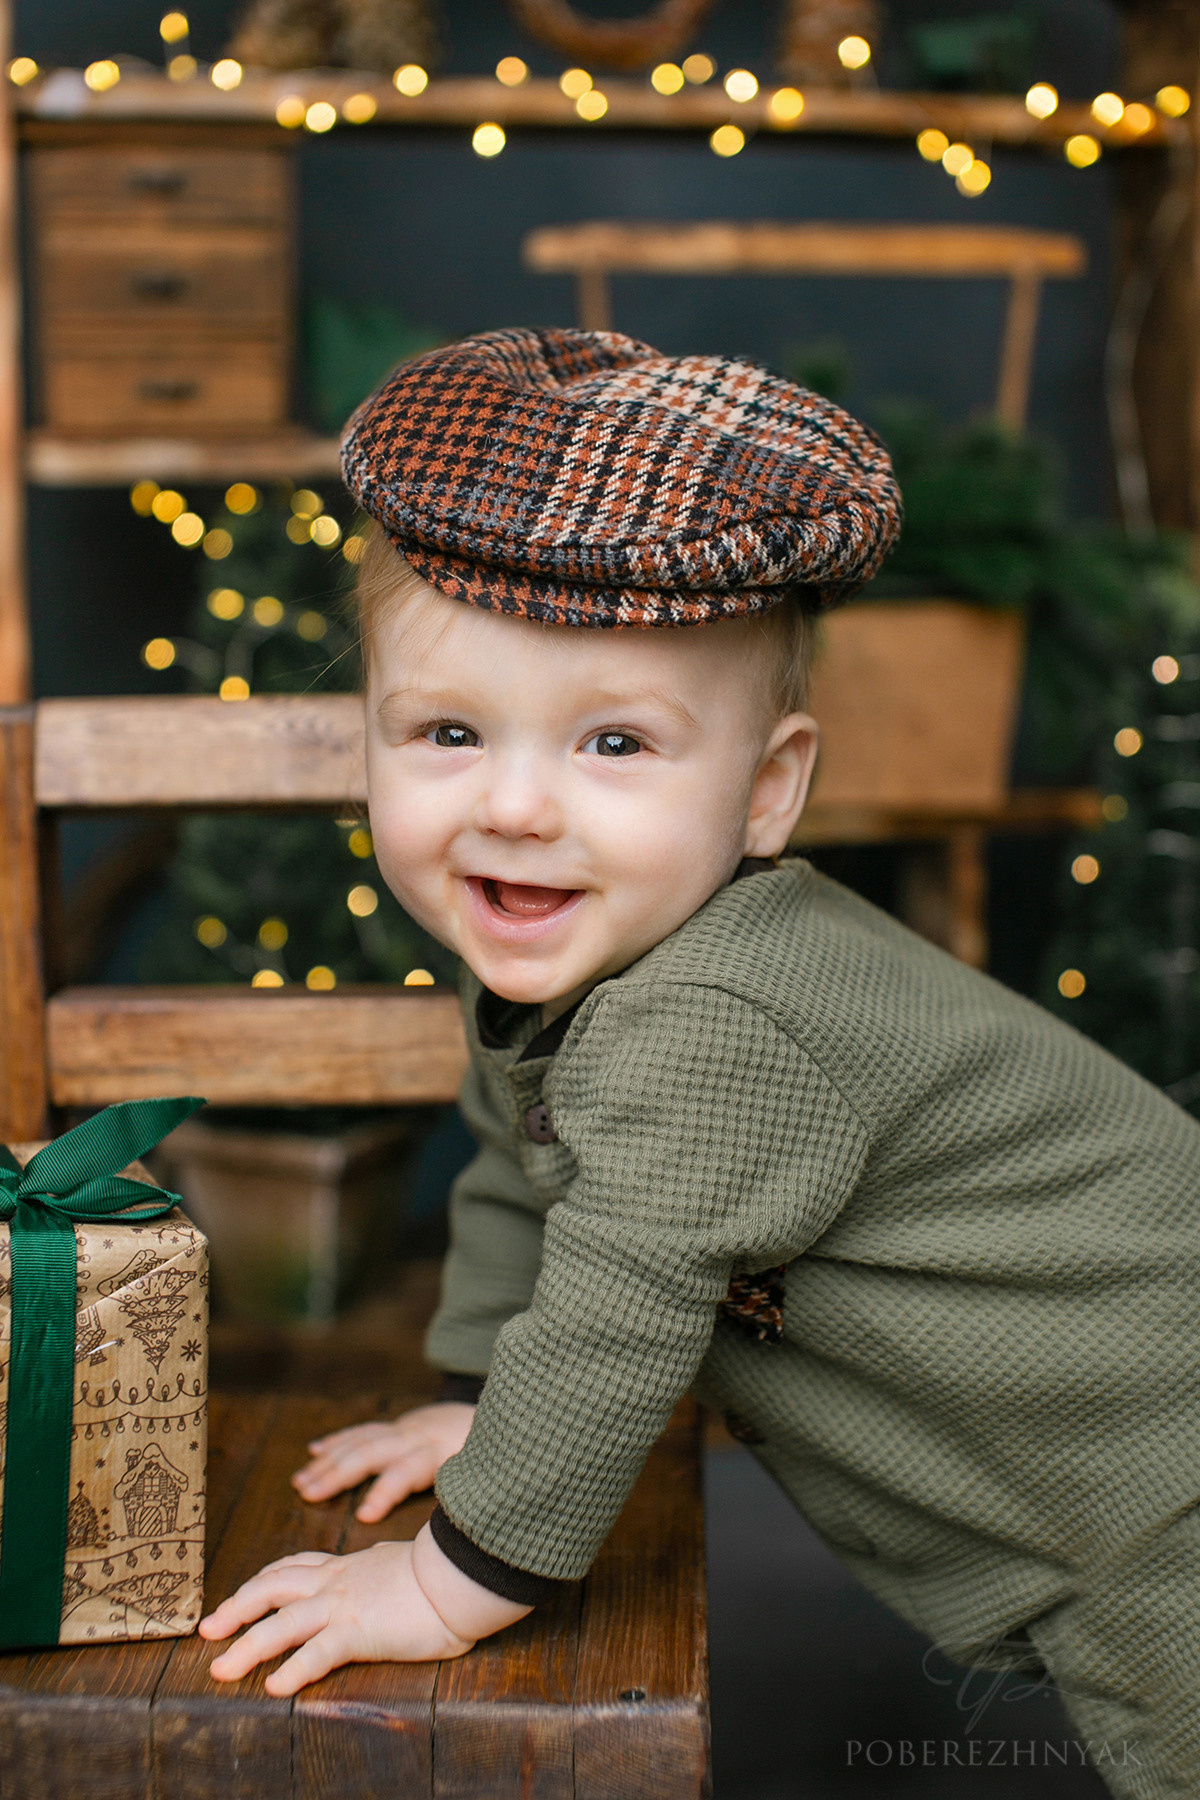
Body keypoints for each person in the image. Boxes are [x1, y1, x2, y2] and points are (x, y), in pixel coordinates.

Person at [200, 329, 1200, 1797]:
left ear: (766, 790)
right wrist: (482, 1395)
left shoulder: (717, 1018)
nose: (519, 804)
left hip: (1160, 1472)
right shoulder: (569, 974)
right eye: (450, 731)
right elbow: (528, 1171)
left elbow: (617, 1307)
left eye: (615, 744)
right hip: (1083, 1485)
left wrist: (447, 1584)